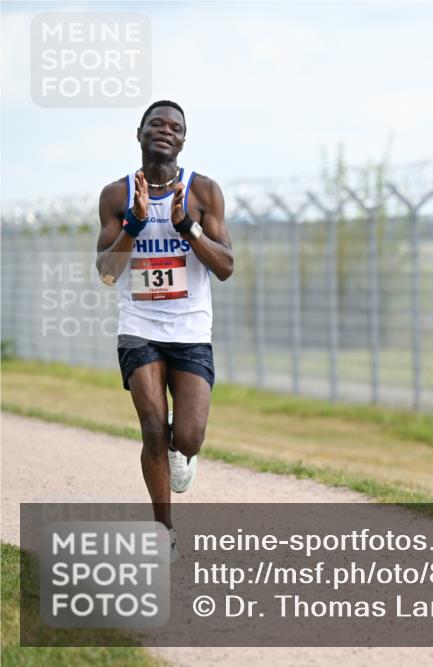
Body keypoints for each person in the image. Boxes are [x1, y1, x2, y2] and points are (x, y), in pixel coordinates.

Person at [95, 100, 234, 558]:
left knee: (187, 436)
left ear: (183, 141)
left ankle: (183, 452)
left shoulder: (203, 191)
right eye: (156, 123)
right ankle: (163, 530)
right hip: (139, 326)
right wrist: (133, 225)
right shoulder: (116, 195)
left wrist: (188, 228)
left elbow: (226, 267)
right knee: (153, 427)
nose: (165, 131)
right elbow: (108, 272)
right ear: (139, 133)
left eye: (175, 127)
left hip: (190, 330)